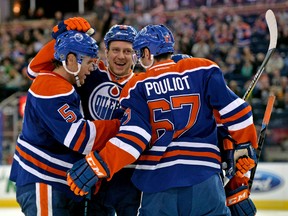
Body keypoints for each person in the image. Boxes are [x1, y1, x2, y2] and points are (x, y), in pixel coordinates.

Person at [67, 24, 258, 215]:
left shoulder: (137, 84)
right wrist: (244, 150)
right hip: (205, 177)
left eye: (138, 52)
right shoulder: (203, 68)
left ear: (147, 52)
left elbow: (135, 137)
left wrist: (98, 164)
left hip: (159, 180)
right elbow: (238, 114)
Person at [27, 18, 141, 216]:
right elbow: (35, 71)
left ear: (136, 55)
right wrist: (61, 40)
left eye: (127, 50)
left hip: (129, 175)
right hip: (89, 175)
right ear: (105, 52)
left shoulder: (142, 85)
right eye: (115, 49)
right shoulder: (88, 72)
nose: (121, 56)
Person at [9, 30, 121, 216]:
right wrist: (119, 125)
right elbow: (81, 138)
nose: (91, 69)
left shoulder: (60, 83)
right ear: (70, 61)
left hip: (56, 182)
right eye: (89, 63)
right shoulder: (51, 87)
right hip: (43, 180)